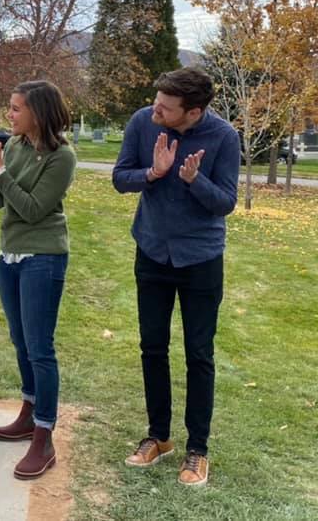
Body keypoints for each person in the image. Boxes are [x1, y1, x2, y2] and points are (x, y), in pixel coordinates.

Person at [113, 67, 239, 487]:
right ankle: (158, 437)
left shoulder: (223, 137)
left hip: (200, 259)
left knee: (198, 354)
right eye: (156, 100)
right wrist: (153, 173)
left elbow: (225, 203)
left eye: (166, 107)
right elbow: (119, 178)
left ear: (193, 112)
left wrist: (192, 180)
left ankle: (197, 450)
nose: (156, 108)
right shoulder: (141, 123)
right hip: (151, 252)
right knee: (152, 347)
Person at [0, 80, 76, 480]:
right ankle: (29, 414)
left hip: (43, 257)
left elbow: (32, 210)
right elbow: (1, 202)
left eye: (16, 109)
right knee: (20, 340)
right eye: (9, 107)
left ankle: (44, 437)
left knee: (40, 348)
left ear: (38, 114)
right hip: (9, 255)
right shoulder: (13, 147)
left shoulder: (62, 157)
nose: (9, 114)